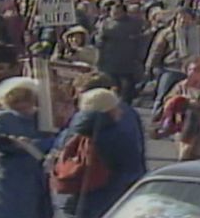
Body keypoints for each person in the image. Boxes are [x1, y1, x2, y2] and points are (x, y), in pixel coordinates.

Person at [53, 88, 143, 218]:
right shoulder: (118, 135)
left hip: (71, 198)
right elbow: (131, 170)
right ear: (109, 110)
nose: (121, 111)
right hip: (107, 199)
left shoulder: (69, 132)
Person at [0, 77, 53, 218]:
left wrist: (38, 144)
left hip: (39, 175)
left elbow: (55, 138)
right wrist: (11, 142)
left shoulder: (43, 117)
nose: (22, 103)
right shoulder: (1, 118)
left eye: (25, 98)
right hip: (11, 176)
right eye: (16, 99)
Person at [96, 3, 143, 104]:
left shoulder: (134, 24)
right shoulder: (105, 23)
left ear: (124, 12)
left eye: (118, 12)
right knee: (114, 86)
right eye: (113, 12)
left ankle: (126, 106)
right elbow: (99, 41)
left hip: (129, 60)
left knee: (128, 87)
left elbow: (141, 40)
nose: (115, 14)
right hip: (110, 60)